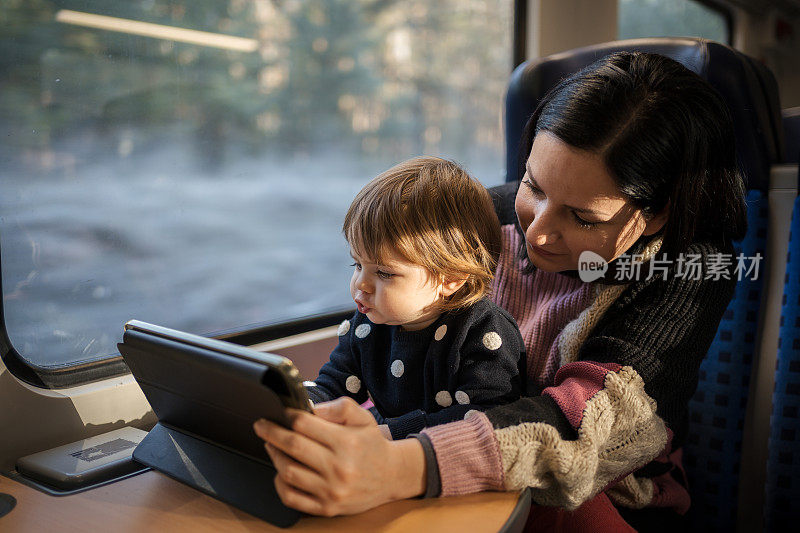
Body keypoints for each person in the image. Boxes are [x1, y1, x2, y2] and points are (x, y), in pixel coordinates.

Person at [253, 51, 747, 531]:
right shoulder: (482, 218)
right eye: (533, 186)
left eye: (582, 218)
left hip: (598, 500)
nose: (536, 235)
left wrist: (397, 463)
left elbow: (587, 426)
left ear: (658, 213)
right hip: (434, 454)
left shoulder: (691, 268)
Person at [304, 156, 526, 440]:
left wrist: (388, 434)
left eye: (384, 273)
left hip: (446, 455)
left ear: (450, 279)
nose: (361, 284)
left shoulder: (483, 331)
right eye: (357, 265)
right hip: (386, 440)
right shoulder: (368, 323)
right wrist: (302, 404)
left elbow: (486, 416)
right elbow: (335, 383)